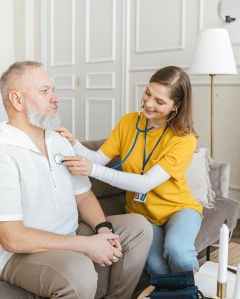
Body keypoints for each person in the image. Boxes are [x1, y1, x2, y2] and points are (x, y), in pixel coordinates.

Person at [0, 61, 153, 299]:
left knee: (138, 228)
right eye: (45, 91)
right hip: (16, 255)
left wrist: (103, 229)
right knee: (78, 271)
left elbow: (83, 195)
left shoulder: (58, 141)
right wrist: (87, 245)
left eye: (53, 90)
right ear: (17, 100)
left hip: (68, 232)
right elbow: (12, 238)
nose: (55, 98)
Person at [58, 66, 203, 276]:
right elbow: (99, 158)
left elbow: (145, 183)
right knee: (156, 267)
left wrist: (93, 170)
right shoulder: (129, 122)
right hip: (142, 215)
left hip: (178, 209)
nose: (149, 103)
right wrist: (74, 143)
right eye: (148, 93)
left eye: (160, 101)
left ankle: (191, 293)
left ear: (176, 106)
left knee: (178, 251)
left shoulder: (184, 139)